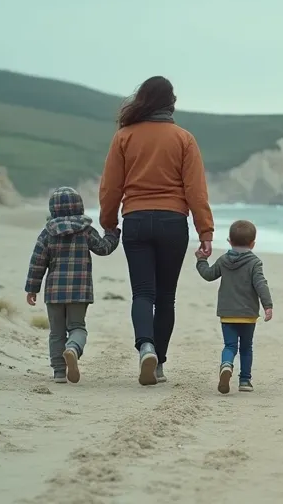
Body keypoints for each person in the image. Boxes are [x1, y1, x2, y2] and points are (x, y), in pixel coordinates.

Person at [99, 75, 215, 386]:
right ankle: (159, 363)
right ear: (171, 103)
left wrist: (108, 222)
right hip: (173, 222)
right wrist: (206, 232)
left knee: (142, 293)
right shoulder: (183, 138)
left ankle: (145, 347)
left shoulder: (124, 136)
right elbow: (196, 190)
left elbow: (111, 186)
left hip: (136, 220)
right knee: (166, 297)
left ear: (142, 101)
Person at [24, 186, 121, 384]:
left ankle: (59, 372)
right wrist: (113, 234)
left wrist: (32, 288)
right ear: (79, 206)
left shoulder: (47, 233)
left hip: (54, 292)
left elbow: (37, 262)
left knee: (56, 332)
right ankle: (73, 349)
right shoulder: (85, 231)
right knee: (77, 327)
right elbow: (103, 248)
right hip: (80, 291)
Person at [195, 219, 274, 394]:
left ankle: (226, 364)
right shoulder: (255, 263)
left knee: (230, 346)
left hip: (227, 313)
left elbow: (208, 275)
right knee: (246, 347)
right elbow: (261, 284)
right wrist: (267, 305)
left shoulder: (223, 260)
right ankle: (245, 381)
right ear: (253, 243)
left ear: (229, 241)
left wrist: (201, 260)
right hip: (247, 314)